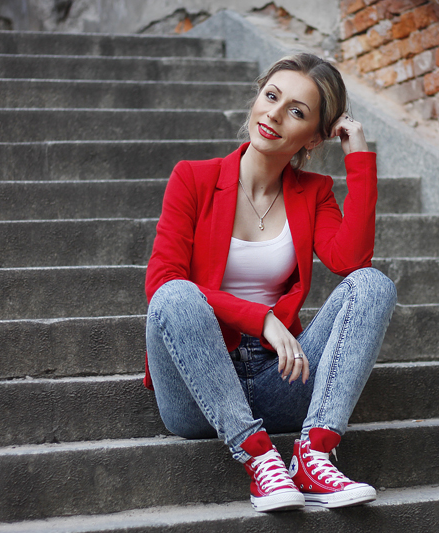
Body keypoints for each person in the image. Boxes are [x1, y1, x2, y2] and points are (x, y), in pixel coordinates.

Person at [144, 53, 397, 512]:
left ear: (315, 137)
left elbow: (351, 261)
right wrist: (260, 318)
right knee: (175, 294)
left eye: (296, 111)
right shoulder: (193, 178)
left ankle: (313, 455)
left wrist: (359, 157)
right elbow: (162, 286)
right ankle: (260, 458)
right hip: (196, 389)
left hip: (278, 378)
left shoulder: (313, 192)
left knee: (373, 285)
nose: (274, 114)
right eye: (271, 96)